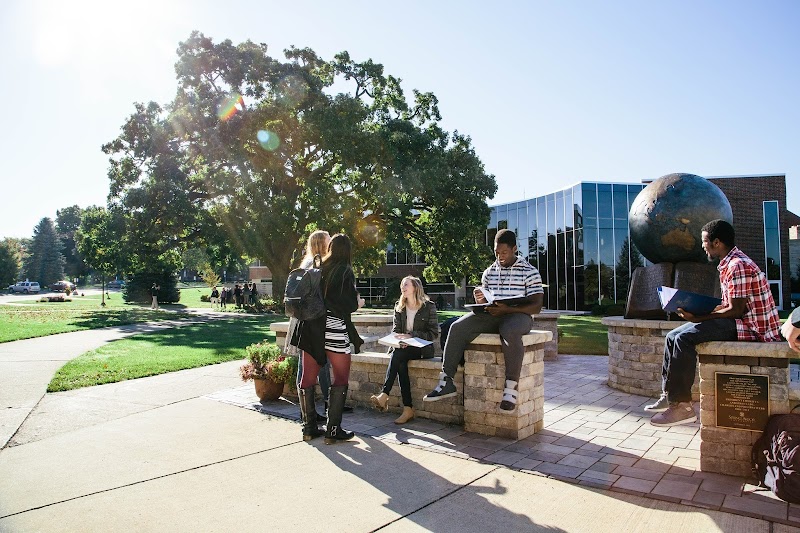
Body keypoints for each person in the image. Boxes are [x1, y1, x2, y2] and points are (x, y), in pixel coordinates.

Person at [647, 219, 782, 427]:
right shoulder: (729, 263)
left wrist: (699, 318)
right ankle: (669, 395)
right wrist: (698, 308)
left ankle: (682, 407)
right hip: (739, 320)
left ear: (717, 242)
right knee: (672, 336)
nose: (703, 246)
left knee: (684, 338)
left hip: (753, 328)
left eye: (705, 241)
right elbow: (730, 304)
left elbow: (736, 310)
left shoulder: (738, 265)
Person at [424, 229, 544, 411]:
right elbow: (487, 299)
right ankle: (447, 381)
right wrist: (481, 300)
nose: (500, 256)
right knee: (457, 327)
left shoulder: (530, 271)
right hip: (493, 315)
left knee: (509, 330)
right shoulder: (489, 272)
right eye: (497, 252)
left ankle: (510, 389)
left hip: (519, 317)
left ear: (514, 249)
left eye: (504, 252)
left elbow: (536, 306)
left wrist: (509, 309)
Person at [291, 233, 365, 443]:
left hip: (311, 328)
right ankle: (333, 431)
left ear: (330, 247)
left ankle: (309, 428)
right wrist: (358, 303)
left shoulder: (317, 267)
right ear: (348, 251)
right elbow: (348, 304)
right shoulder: (345, 272)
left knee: (307, 379)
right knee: (340, 378)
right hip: (333, 328)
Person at [371, 276, 439, 424]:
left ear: (415, 287)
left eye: (406, 284)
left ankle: (385, 395)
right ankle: (407, 409)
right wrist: (399, 340)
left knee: (398, 356)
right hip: (403, 348)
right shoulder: (399, 306)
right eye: (402, 285)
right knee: (400, 361)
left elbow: (433, 334)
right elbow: (396, 331)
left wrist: (411, 336)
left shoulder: (429, 306)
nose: (402, 287)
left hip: (422, 349)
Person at [287, 230, 333, 423]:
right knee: (308, 365)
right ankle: (310, 412)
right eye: (328, 241)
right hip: (310, 321)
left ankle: (310, 410)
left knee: (307, 364)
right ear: (321, 244)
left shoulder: (306, 264)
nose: (331, 244)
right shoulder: (314, 266)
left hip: (301, 319)